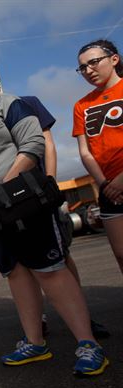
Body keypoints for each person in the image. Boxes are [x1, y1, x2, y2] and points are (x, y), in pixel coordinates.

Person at [0, 55, 108, 376]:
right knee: (16, 273)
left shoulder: (12, 105)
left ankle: (88, 344)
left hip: (20, 201)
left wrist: (3, 184)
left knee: (50, 270)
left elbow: (33, 144)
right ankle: (35, 343)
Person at [0, 66, 109, 339]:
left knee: (59, 256)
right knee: (23, 263)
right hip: (10, 200)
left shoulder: (25, 103)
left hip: (35, 193)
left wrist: (49, 184)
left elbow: (48, 144)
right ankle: (38, 318)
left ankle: (84, 320)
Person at [72, 39, 123, 275]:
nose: (88, 71)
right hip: (108, 188)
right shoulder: (81, 105)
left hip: (119, 181)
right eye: (82, 67)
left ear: (114, 59)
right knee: (120, 253)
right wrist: (104, 184)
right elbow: (85, 151)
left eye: (93, 63)